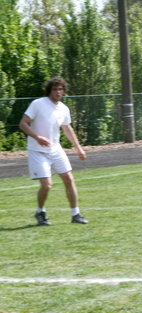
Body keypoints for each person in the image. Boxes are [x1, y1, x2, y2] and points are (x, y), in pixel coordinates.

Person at [19, 77, 88, 225]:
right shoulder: (38, 104)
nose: (58, 92)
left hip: (56, 150)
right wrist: (37, 137)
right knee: (47, 185)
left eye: (61, 89)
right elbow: (23, 124)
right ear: (49, 90)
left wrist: (78, 148)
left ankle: (76, 214)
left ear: (64, 91)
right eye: (55, 89)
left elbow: (67, 128)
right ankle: (40, 212)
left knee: (69, 179)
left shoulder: (63, 108)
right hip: (37, 150)